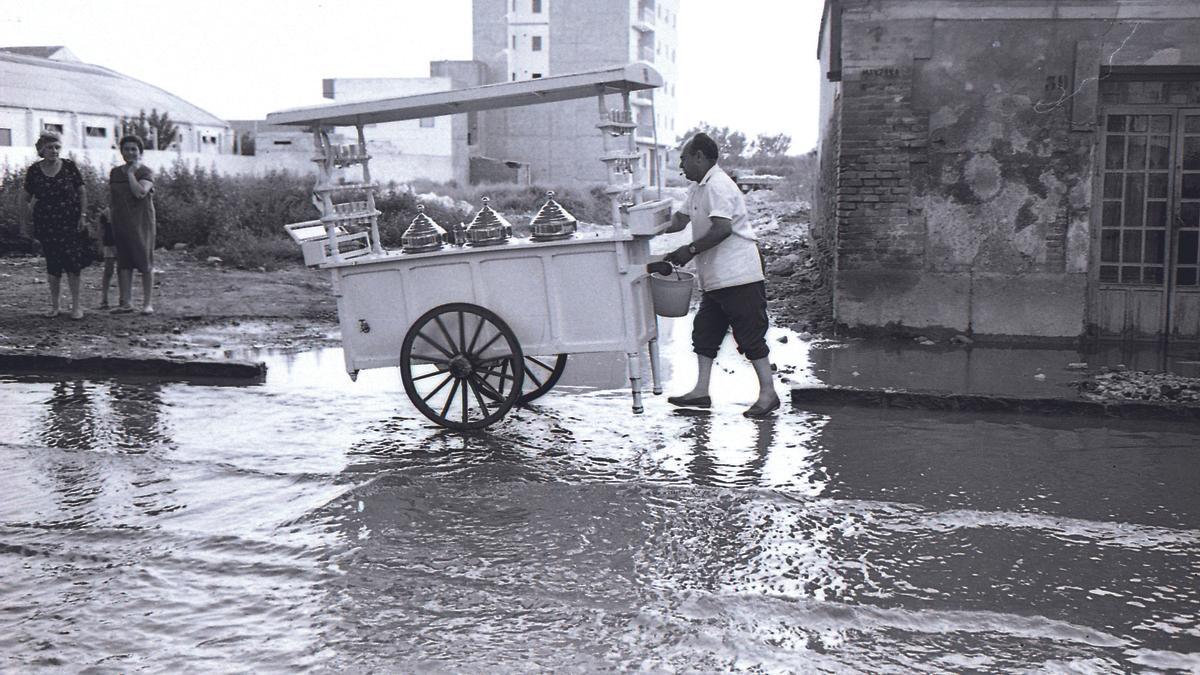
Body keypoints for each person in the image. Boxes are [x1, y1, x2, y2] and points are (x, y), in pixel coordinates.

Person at [662, 133, 781, 419]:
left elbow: (722, 228)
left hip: (739, 275)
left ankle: (768, 394)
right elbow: (679, 221)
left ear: (699, 157)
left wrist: (689, 250)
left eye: (684, 158)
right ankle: (701, 391)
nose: (681, 165)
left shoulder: (718, 185)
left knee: (750, 336)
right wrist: (644, 225)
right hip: (715, 277)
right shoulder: (697, 188)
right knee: (705, 332)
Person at [20, 131, 92, 320]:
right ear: (41, 149)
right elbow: (24, 198)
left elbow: (82, 192)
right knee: (53, 263)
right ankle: (55, 306)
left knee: (73, 263)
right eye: (50, 147)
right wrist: (25, 222)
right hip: (46, 223)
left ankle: (76, 306)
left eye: (57, 147)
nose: (54, 150)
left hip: (70, 221)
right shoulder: (34, 170)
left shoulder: (69, 166)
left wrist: (83, 215)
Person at [109, 134, 156, 314]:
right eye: (126, 149)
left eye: (134, 149)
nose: (130, 152)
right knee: (124, 262)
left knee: (144, 260)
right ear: (121, 151)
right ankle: (126, 303)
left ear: (140, 152)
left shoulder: (145, 172)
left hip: (142, 222)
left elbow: (140, 193)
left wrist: (130, 174)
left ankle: (147, 304)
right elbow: (114, 197)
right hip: (121, 221)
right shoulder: (114, 172)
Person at [96, 208, 117, 308]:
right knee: (108, 271)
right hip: (109, 244)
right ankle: (104, 299)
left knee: (123, 271)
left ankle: (123, 299)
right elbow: (101, 230)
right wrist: (100, 244)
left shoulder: (125, 210)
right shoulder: (106, 213)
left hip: (122, 244)